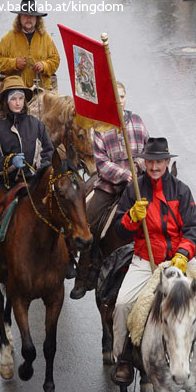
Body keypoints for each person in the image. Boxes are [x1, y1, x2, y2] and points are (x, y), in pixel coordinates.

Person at [111, 137, 196, 385]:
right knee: (122, 305)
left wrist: (184, 254)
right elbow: (120, 231)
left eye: (160, 162)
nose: (154, 167)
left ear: (167, 162)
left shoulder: (182, 191)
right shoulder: (134, 191)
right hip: (146, 261)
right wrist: (131, 217)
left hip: (180, 260)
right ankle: (123, 359)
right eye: (150, 161)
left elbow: (194, 228)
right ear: (143, 162)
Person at [0, 75, 54, 288]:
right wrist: (9, 163)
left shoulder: (37, 125)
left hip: (33, 182)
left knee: (63, 211)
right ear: (6, 102)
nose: (17, 102)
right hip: (4, 184)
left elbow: (48, 151)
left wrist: (39, 166)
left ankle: (69, 259)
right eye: (13, 98)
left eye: (20, 98)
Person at [70, 82, 149, 300]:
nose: (119, 100)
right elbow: (102, 164)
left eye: (122, 96)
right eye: (115, 97)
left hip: (138, 185)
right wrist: (124, 174)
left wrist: (140, 169)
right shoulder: (101, 127)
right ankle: (84, 275)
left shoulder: (138, 123)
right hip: (110, 186)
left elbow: (147, 151)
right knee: (90, 222)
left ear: (126, 98)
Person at [0, 0, 60, 91]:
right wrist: (14, 63)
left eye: (31, 16)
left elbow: (56, 60)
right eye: (25, 16)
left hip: (41, 90)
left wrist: (44, 65)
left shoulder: (46, 38)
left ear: (37, 18)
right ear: (19, 18)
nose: (28, 19)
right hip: (16, 90)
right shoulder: (8, 38)